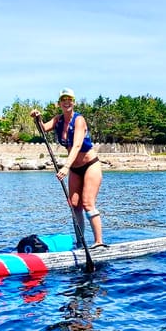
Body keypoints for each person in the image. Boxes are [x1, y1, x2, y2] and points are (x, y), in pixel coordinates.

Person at [31, 88, 105, 248]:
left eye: (69, 99)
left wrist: (65, 167)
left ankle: (99, 242)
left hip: (90, 165)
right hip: (75, 168)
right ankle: (81, 243)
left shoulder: (79, 120)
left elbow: (77, 144)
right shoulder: (58, 120)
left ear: (74, 102)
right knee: (74, 204)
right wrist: (37, 118)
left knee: (87, 203)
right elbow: (43, 129)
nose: (67, 102)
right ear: (59, 103)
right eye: (63, 99)